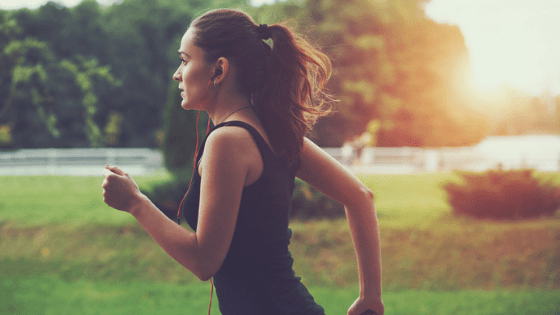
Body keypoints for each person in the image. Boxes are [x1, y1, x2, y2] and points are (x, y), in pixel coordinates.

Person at [102, 8, 383, 315]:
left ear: (219, 70)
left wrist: (135, 203)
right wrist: (370, 296)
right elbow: (360, 197)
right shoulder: (274, 131)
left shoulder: (228, 142)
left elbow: (203, 261)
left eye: (184, 60)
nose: (176, 73)